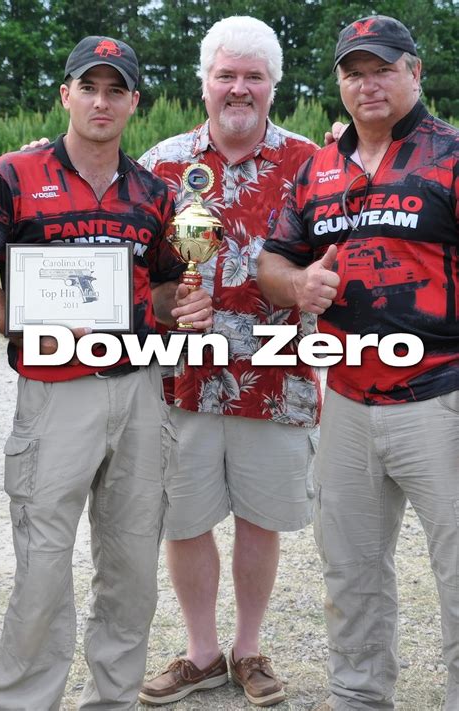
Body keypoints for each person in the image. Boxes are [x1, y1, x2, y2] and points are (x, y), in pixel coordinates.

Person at [0, 35, 212, 711]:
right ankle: (23, 702)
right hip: (56, 393)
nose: (102, 102)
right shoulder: (12, 175)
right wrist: (29, 328)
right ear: (67, 95)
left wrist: (186, 304)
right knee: (43, 570)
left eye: (117, 90)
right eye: (89, 87)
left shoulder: (154, 192)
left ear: (134, 101)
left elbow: (164, 290)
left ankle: (111, 700)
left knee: (132, 569)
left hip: (139, 390)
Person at [258, 14, 459, 711]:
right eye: (354, 73)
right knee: (350, 572)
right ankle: (358, 697)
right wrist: (297, 285)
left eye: (383, 69)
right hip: (345, 398)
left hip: (440, 394)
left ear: (415, 72)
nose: (368, 84)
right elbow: (272, 262)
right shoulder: (319, 169)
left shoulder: (450, 155)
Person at [138, 16, 322, 708]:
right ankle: (202, 652)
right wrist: (167, 304)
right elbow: (137, 274)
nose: (239, 88)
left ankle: (248, 649)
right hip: (182, 378)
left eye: (253, 76)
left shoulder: (313, 165)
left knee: (259, 517)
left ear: (274, 84)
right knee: (185, 519)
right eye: (226, 75)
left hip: (276, 375)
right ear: (204, 83)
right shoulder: (160, 164)